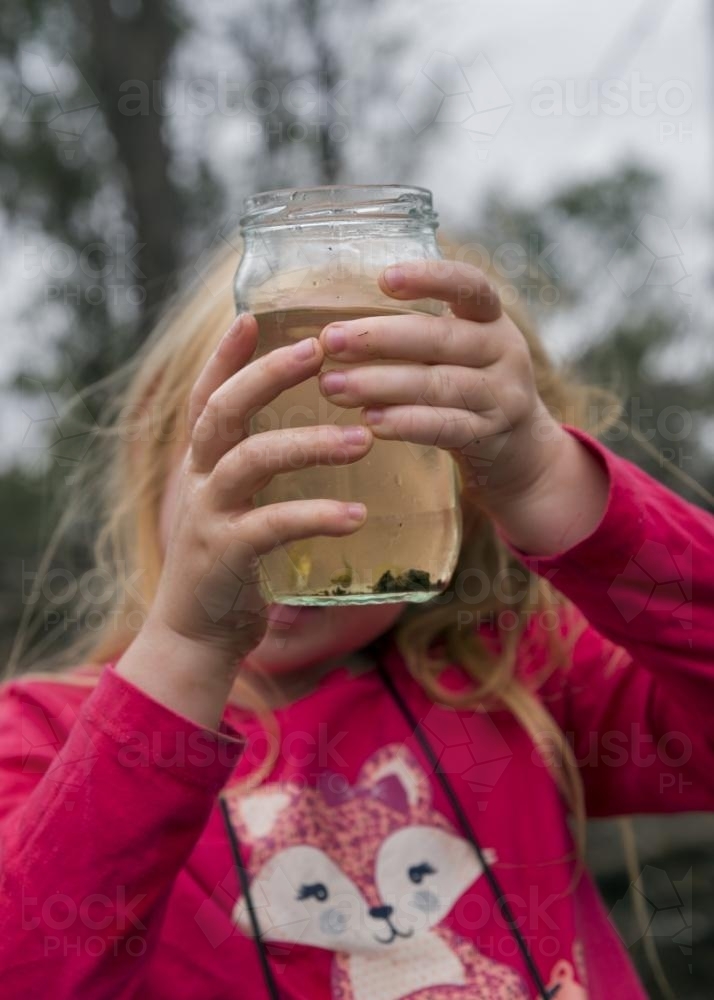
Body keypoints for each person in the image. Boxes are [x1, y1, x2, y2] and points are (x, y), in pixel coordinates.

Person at [0, 247, 712, 1000]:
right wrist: (187, 649)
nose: (300, 531)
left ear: (454, 507)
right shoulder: (44, 739)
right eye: (261, 450)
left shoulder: (514, 683)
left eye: (367, 468)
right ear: (156, 451)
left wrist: (545, 479)